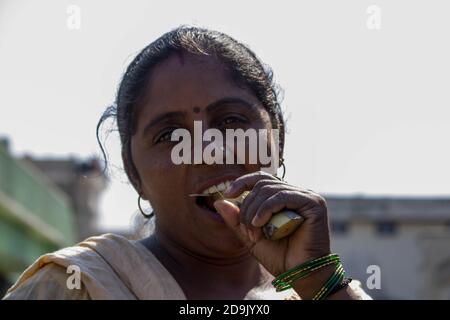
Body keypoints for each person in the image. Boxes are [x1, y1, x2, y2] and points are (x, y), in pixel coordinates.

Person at [3, 26, 371, 300]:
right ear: (135, 177)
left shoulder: (315, 291)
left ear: (278, 141)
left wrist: (321, 282)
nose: (208, 150)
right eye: (169, 136)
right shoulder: (76, 287)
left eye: (231, 121)